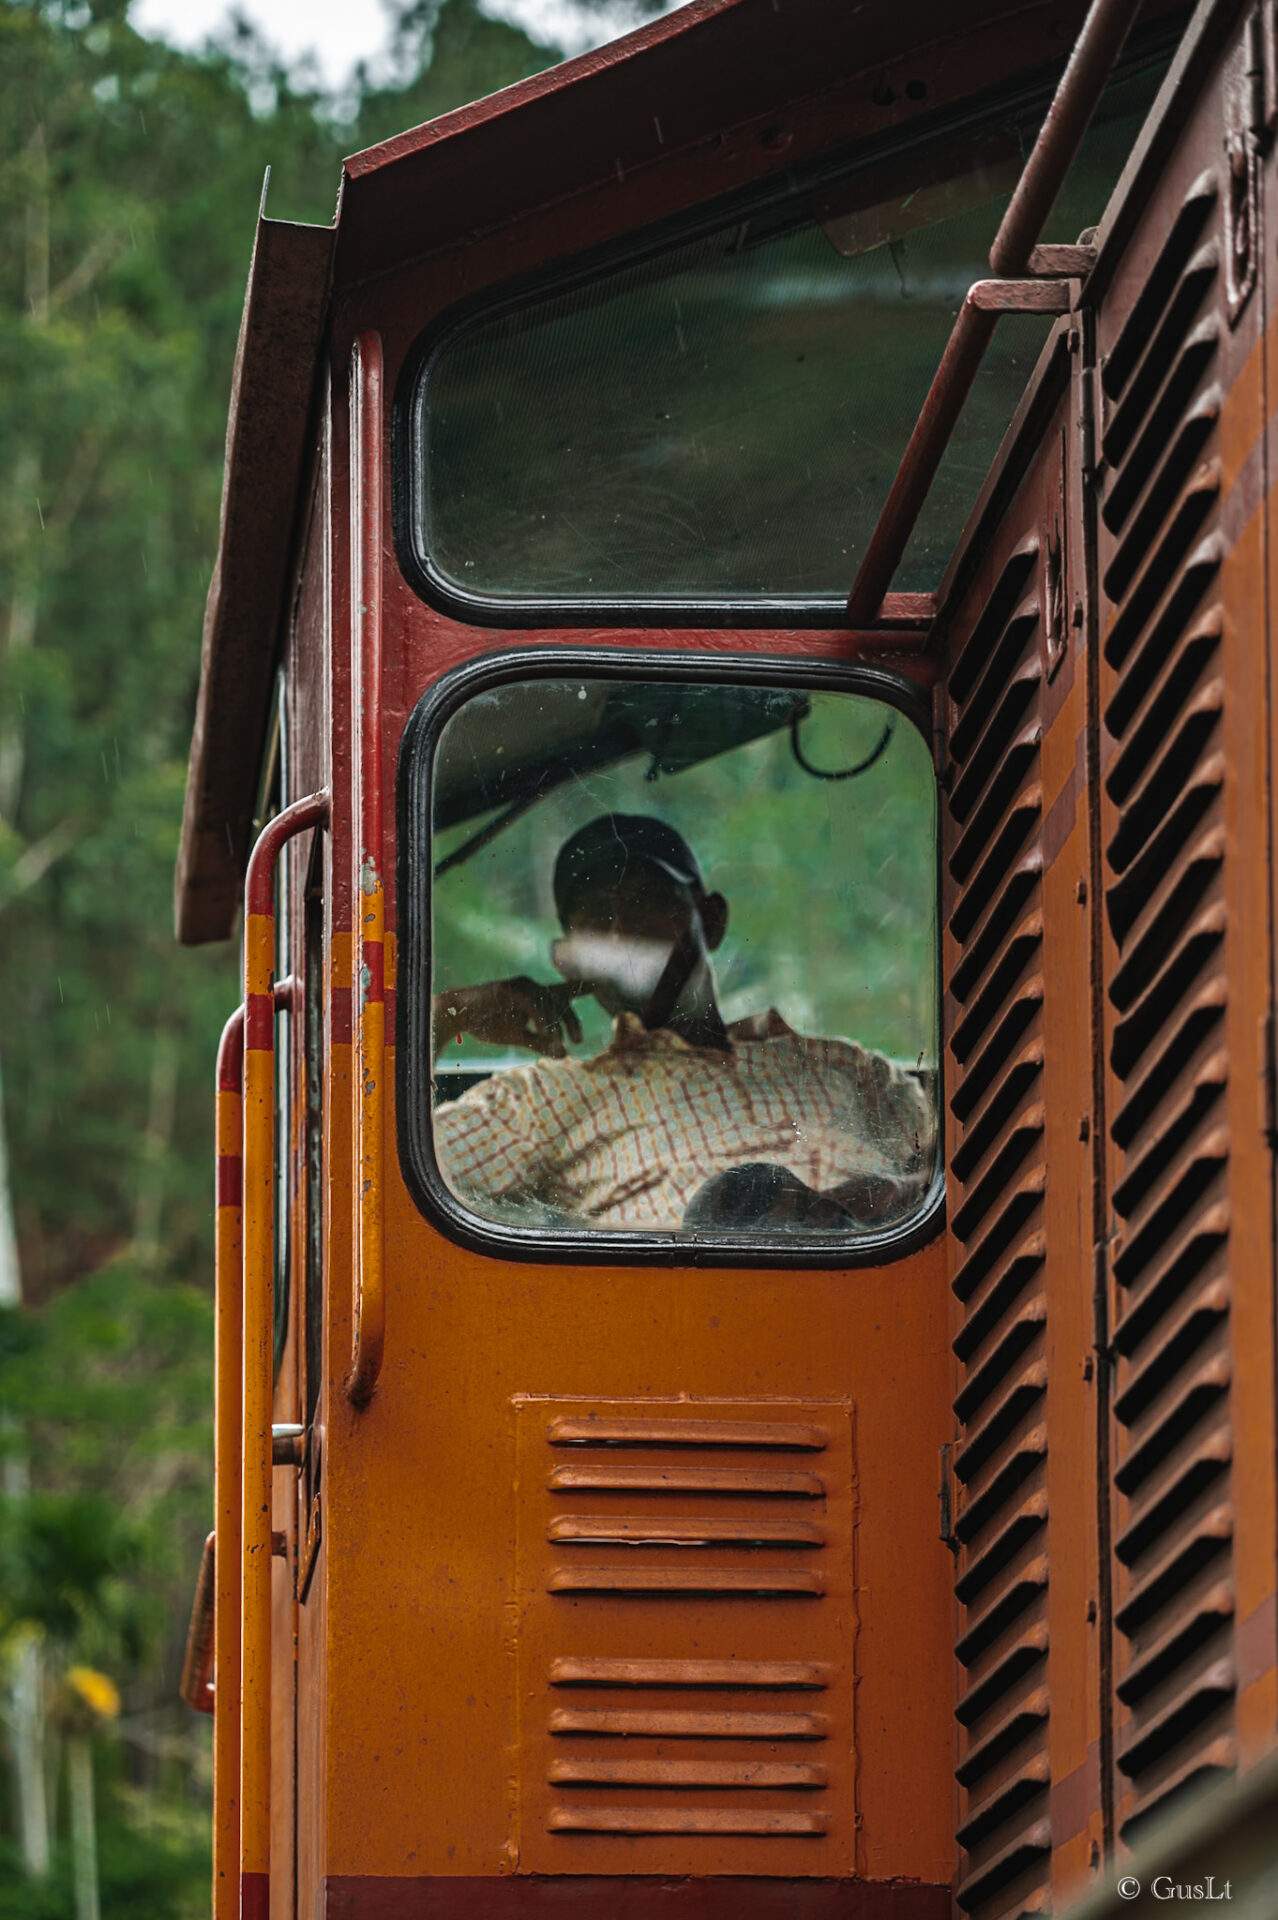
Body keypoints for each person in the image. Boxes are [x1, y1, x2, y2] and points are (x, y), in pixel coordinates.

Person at [431, 812, 933, 1233]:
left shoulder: (841, 1064)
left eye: (647, 900)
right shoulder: (539, 1100)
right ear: (569, 961)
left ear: (710, 920)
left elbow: (955, 1159)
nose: (623, 930)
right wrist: (448, 1014)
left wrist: (882, 1194)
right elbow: (375, 1186)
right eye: (596, 916)